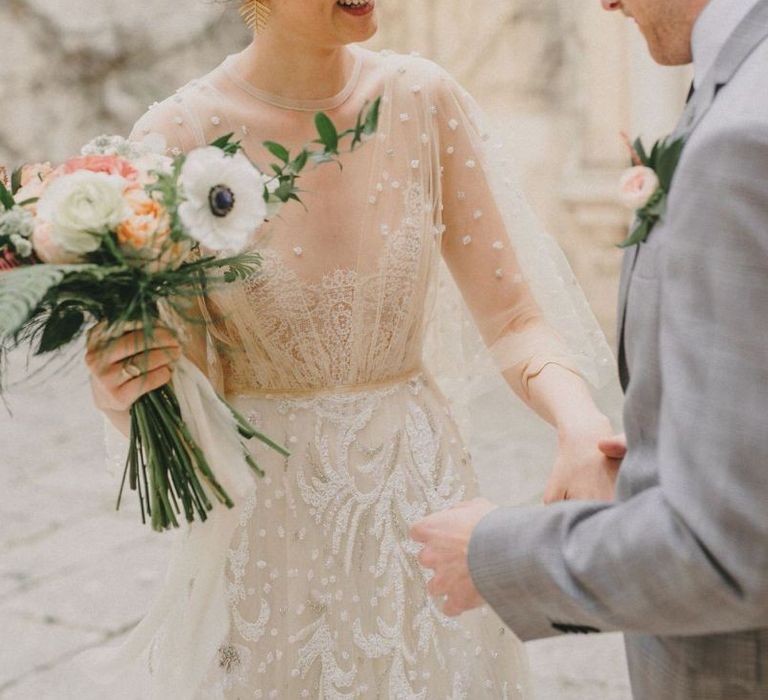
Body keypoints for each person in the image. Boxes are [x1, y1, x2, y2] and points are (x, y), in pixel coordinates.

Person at [84, 0, 618, 697]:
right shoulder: (174, 141)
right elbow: (181, 399)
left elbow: (515, 318)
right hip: (271, 534)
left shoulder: (423, 99)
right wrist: (121, 391)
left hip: (425, 509)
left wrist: (581, 423)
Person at [411, 0, 768, 698]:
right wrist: (679, 454)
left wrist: (493, 554)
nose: (605, 2)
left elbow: (725, 552)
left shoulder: (742, 139)